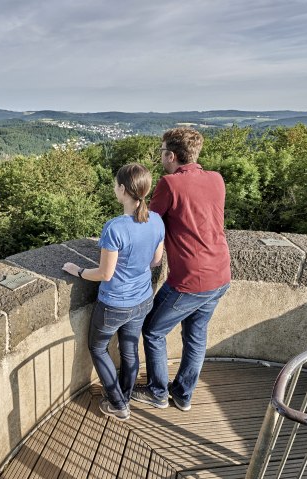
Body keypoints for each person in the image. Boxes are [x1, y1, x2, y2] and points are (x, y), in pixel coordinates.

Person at [131, 127, 231, 412]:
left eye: (162, 152)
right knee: (196, 336)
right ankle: (183, 395)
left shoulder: (170, 183)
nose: (161, 157)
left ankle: (157, 392)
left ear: (172, 155)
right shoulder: (216, 179)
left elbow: (147, 222)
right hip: (221, 273)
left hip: (191, 279)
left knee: (152, 330)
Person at [62, 163, 164, 421]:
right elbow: (155, 261)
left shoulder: (115, 228)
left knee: (98, 348)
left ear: (122, 189)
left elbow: (104, 274)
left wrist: (78, 271)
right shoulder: (157, 220)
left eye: (115, 185)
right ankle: (125, 396)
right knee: (130, 350)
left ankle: (118, 404)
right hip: (143, 299)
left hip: (115, 304)